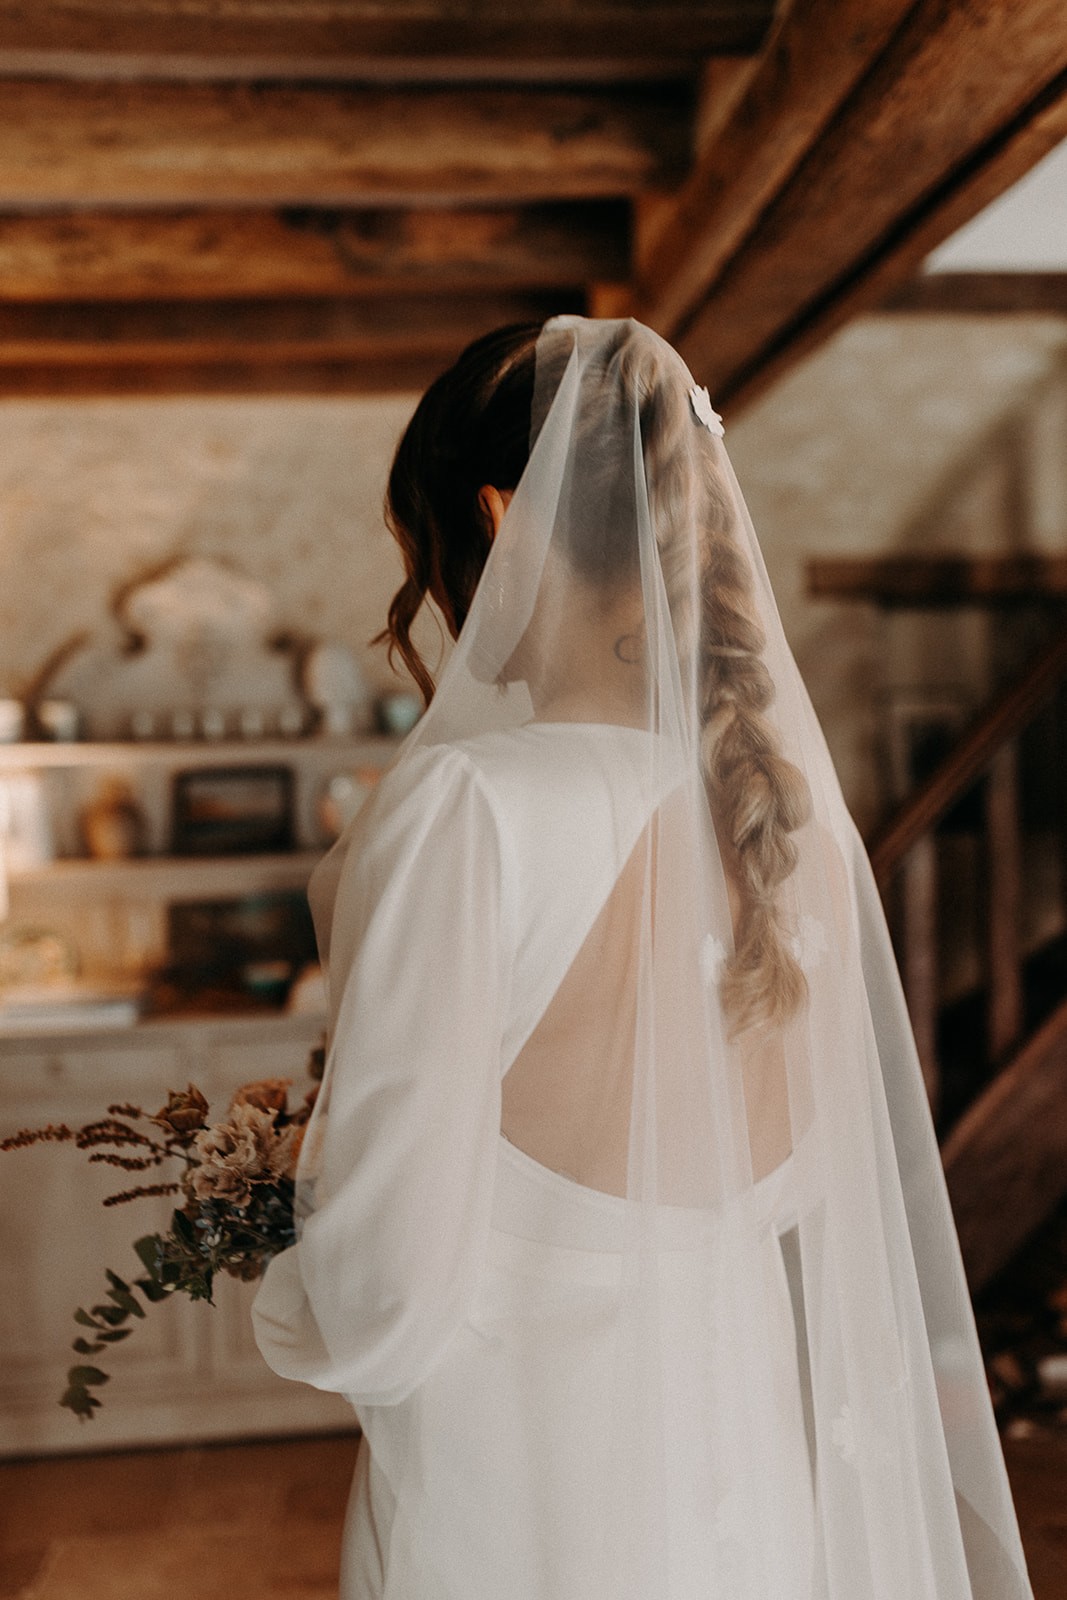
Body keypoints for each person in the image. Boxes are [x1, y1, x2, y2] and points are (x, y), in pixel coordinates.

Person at [253, 317, 1034, 1600]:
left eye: (426, 546)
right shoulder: (784, 816)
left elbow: (384, 1296)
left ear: (497, 514)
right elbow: (787, 1184)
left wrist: (276, 1281)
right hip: (743, 1472)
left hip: (519, 1494)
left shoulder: (469, 805)